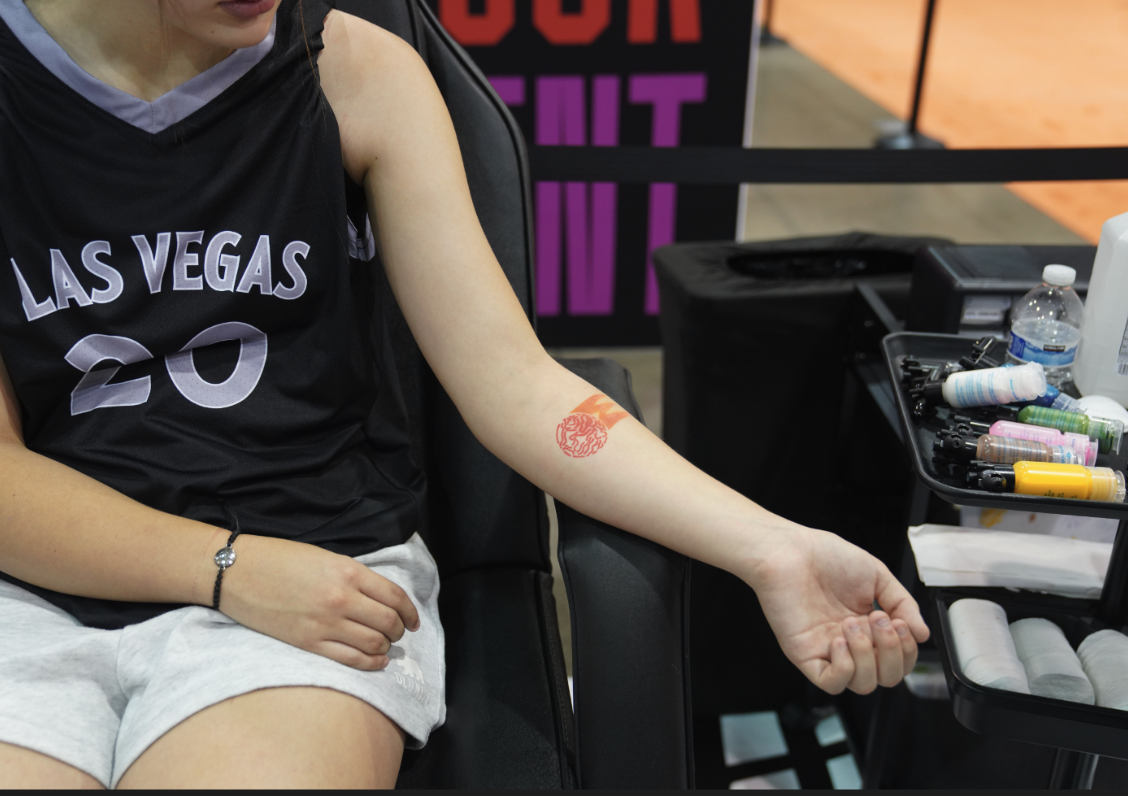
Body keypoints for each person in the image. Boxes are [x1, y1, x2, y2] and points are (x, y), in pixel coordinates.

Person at [0, 0, 929, 788]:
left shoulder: (357, 73)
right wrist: (227, 568)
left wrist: (773, 549)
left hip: (321, 578)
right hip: (47, 585)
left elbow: (518, 385)